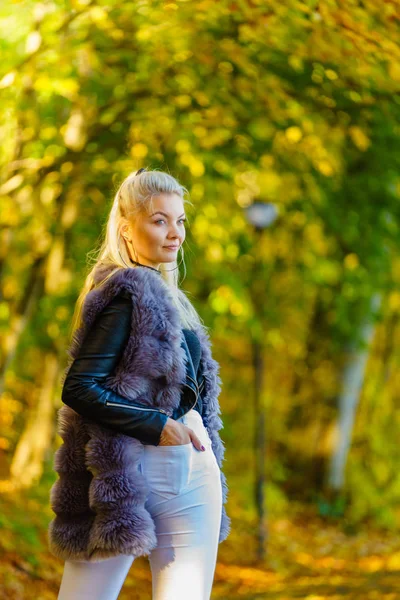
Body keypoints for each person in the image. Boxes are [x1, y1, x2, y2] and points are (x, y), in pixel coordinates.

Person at [49, 168, 230, 600]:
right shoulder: (126, 291)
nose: (174, 233)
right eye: (159, 220)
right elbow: (79, 387)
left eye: (180, 220)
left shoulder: (171, 298)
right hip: (130, 468)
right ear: (128, 231)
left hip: (193, 465)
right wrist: (156, 426)